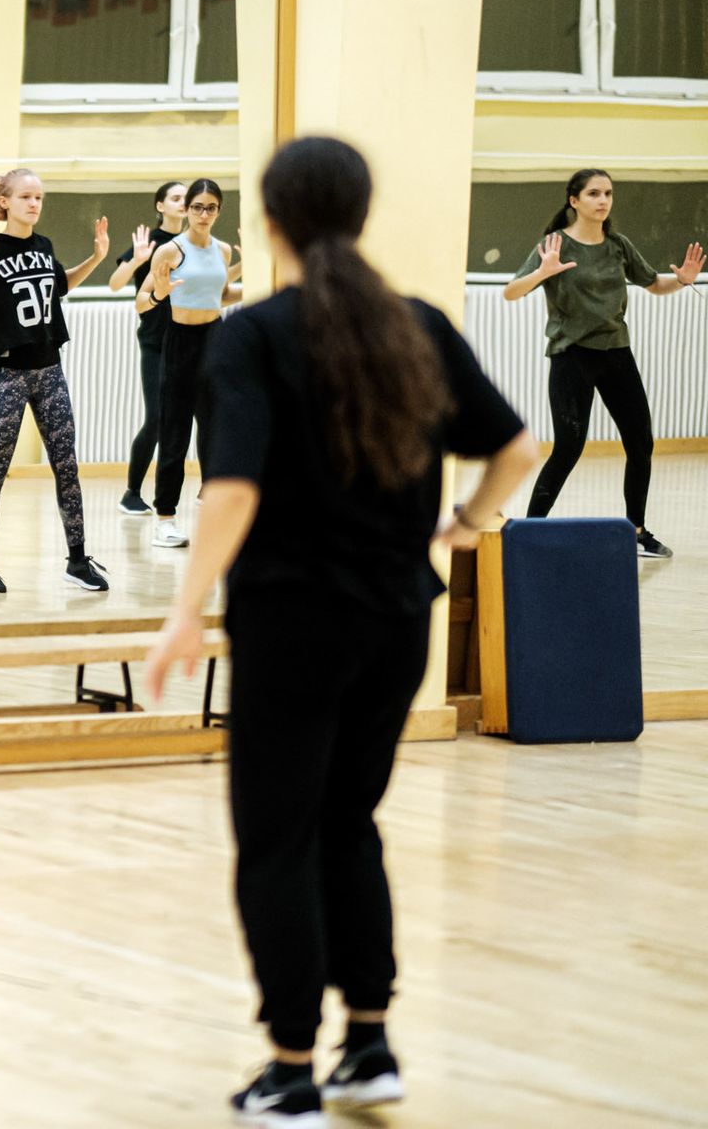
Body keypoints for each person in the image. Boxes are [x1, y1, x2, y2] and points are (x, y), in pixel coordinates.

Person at [144, 137, 538, 1126]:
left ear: (272, 221)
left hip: (293, 625)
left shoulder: (256, 335)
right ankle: (368, 1043)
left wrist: (184, 611)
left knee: (277, 839)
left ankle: (289, 1068)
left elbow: (233, 489)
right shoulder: (417, 325)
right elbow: (516, 447)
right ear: (360, 215)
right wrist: (466, 523)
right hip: (397, 623)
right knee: (349, 821)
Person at [506, 169, 703, 559]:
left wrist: (681, 280)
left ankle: (636, 530)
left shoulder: (618, 246)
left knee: (640, 442)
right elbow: (511, 292)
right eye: (594, 193)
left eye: (608, 193)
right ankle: (528, 532)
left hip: (615, 354)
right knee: (569, 447)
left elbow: (654, 284)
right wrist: (542, 273)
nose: (603, 200)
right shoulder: (554, 244)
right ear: (574, 201)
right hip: (571, 356)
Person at [0, 169, 110, 595]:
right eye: (26, 196)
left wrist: (96, 258)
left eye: (39, 197)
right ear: (4, 201)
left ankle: (77, 560)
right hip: (7, 376)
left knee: (67, 466)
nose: (34, 203)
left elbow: (59, 286)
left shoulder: (44, 246)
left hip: (50, 371)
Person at [137, 177, 242, 548]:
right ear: (187, 209)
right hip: (181, 340)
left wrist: (258, 283)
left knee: (216, 427)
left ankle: (213, 505)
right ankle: (165, 518)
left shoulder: (222, 250)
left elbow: (220, 294)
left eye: (210, 208)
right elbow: (142, 300)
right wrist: (160, 294)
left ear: (218, 211)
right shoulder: (169, 251)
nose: (203, 214)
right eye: (197, 207)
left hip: (215, 337)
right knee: (175, 431)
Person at [108, 180, 187, 515]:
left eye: (186, 198)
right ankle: (132, 493)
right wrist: (137, 260)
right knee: (156, 418)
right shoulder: (151, 242)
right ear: (160, 206)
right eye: (176, 198)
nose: (183, 203)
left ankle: (193, 493)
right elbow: (115, 284)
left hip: (188, 339)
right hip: (156, 341)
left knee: (192, 418)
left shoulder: (193, 243)